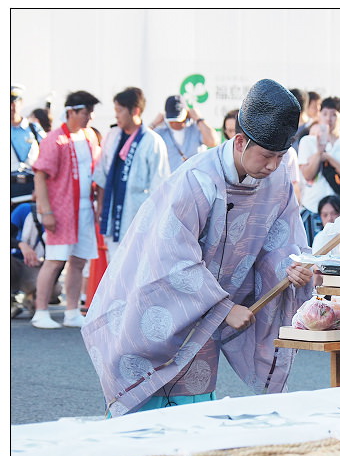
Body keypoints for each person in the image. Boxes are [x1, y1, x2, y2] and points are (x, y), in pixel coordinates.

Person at [82, 78, 314, 418]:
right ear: (239, 141)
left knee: (193, 414)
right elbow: (171, 258)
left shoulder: (277, 181)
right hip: (158, 306)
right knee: (141, 413)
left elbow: (283, 240)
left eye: (281, 157)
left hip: (206, 315)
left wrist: (293, 267)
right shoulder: (196, 180)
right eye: (266, 155)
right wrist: (224, 307)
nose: (273, 166)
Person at [30, 90, 102, 329]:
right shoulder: (55, 139)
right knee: (54, 260)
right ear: (71, 112)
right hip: (60, 210)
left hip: (84, 209)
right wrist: (46, 210)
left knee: (78, 261)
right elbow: (40, 175)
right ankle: (40, 311)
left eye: (90, 113)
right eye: (85, 113)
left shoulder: (90, 136)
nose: (89, 118)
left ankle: (71, 311)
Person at [94, 87, 170, 260]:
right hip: (113, 215)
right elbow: (101, 175)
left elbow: (160, 186)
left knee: (135, 268)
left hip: (138, 217)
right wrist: (100, 206)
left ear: (135, 111)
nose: (116, 116)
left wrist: (154, 220)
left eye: (119, 111)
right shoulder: (112, 136)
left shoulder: (153, 141)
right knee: (113, 269)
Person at [297, 96, 340, 244]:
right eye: (325, 114)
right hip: (313, 208)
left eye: (334, 114)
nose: (329, 119)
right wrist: (319, 153)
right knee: (312, 255)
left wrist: (330, 158)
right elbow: (307, 175)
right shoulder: (307, 142)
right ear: (319, 116)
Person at [10, 202, 61, 318]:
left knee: (55, 289)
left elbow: (60, 260)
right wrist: (21, 245)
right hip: (14, 262)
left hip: (34, 267)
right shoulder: (24, 210)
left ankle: (31, 298)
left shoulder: (60, 217)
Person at [151, 95, 219, 171]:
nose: (175, 123)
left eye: (178, 120)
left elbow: (213, 142)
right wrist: (153, 124)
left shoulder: (197, 128)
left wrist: (199, 119)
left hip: (196, 180)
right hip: (171, 180)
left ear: (186, 113)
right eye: (172, 120)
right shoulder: (160, 131)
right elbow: (141, 147)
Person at [11, 84, 46, 206]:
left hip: (32, 186)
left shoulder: (33, 128)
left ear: (21, 103)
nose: (11, 107)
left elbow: (47, 155)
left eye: (14, 102)